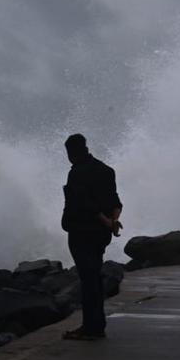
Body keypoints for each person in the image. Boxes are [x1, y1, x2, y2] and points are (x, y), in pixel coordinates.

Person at [60, 133, 123, 341]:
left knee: (88, 281)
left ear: (72, 152)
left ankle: (91, 328)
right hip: (101, 235)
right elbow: (116, 202)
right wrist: (113, 222)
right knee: (94, 277)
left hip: (82, 232)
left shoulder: (77, 173)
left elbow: (86, 204)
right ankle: (97, 325)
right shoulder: (106, 170)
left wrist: (106, 221)